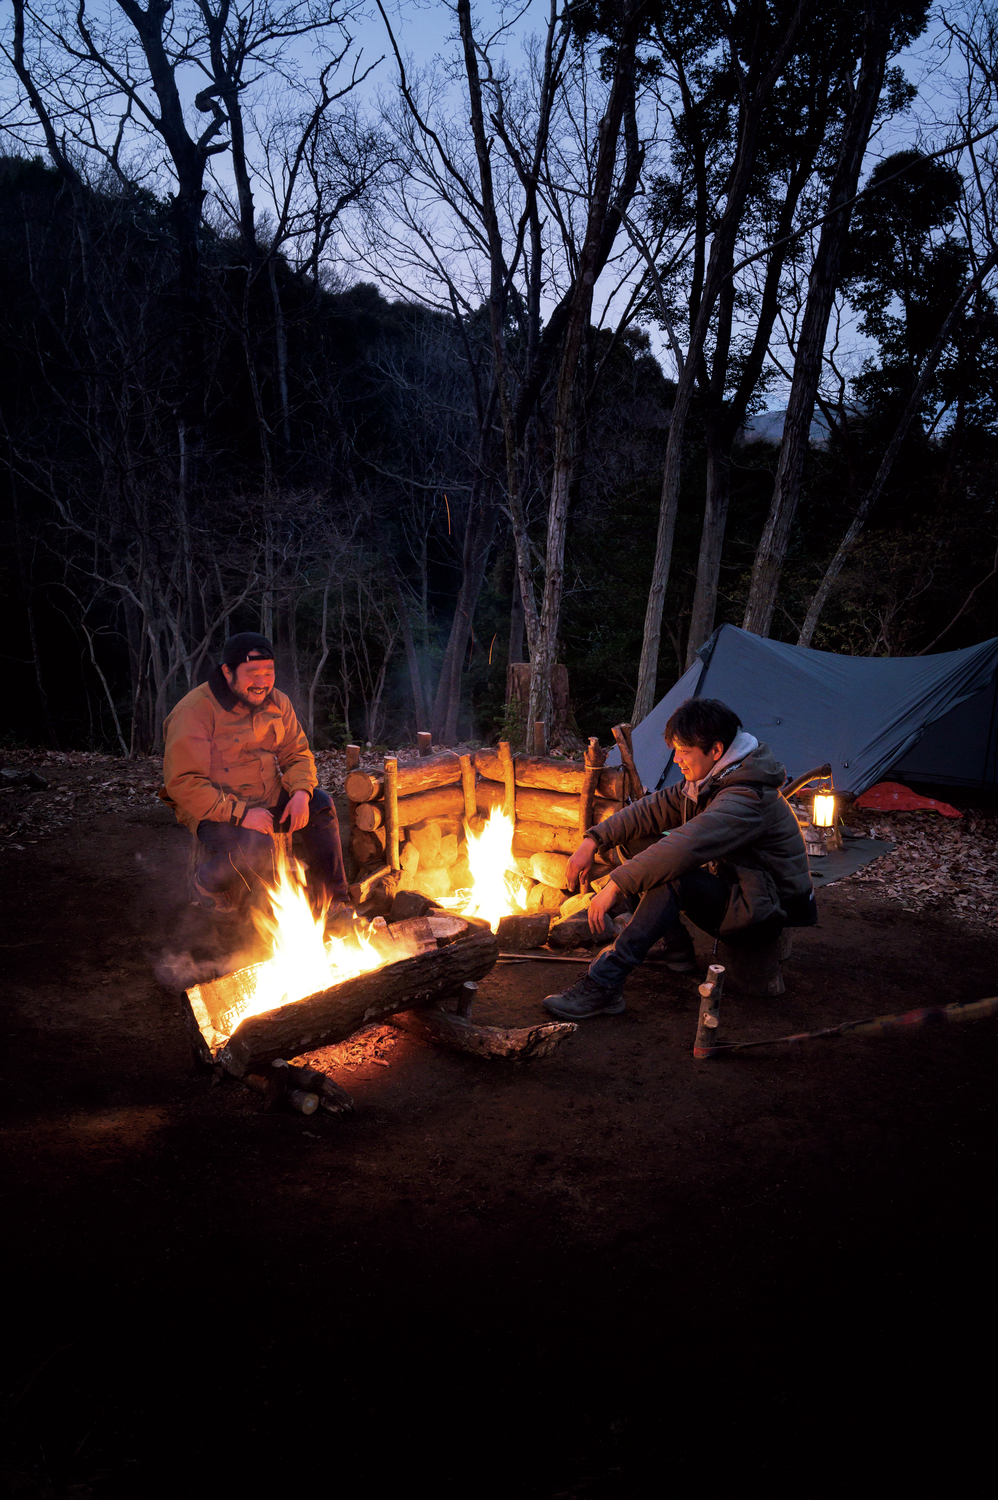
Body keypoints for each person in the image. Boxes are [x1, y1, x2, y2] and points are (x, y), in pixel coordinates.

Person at [542, 698, 815, 1021]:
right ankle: (677, 951)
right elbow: (652, 808)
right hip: (744, 890)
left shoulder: (747, 797)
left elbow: (683, 847)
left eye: (684, 751)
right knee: (633, 840)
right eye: (676, 749)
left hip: (768, 910)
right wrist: (594, 839)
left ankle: (604, 984)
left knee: (673, 877)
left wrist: (615, 883)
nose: (677, 759)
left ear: (715, 750)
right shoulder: (715, 777)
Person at [161, 631, 348, 919]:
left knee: (320, 804)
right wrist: (241, 814)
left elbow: (296, 754)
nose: (261, 682)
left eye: (268, 672)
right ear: (227, 671)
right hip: (214, 807)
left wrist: (300, 792)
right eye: (252, 673)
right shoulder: (194, 711)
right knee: (255, 845)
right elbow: (184, 783)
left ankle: (334, 903)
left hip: (266, 792)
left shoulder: (278, 702)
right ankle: (206, 881)